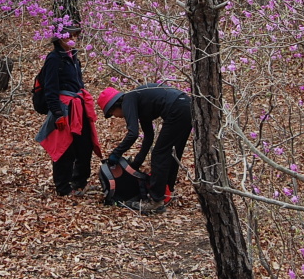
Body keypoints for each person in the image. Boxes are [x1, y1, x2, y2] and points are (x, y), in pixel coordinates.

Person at [97, 84, 192, 214]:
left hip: (176, 108)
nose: (117, 117)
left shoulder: (128, 100)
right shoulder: (139, 100)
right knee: (172, 152)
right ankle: (167, 191)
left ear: (115, 105)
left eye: (112, 114)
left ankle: (156, 201)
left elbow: (133, 133)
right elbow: (149, 136)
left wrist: (116, 153)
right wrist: (137, 162)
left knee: (159, 155)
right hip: (186, 104)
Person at [35, 25, 102, 196]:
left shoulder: (74, 58)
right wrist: (57, 114)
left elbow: (79, 84)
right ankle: (63, 188)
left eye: (74, 35)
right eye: (68, 35)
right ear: (59, 38)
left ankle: (79, 183)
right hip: (64, 108)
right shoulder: (54, 59)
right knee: (65, 148)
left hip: (78, 107)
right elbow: (50, 90)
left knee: (85, 145)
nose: (72, 38)